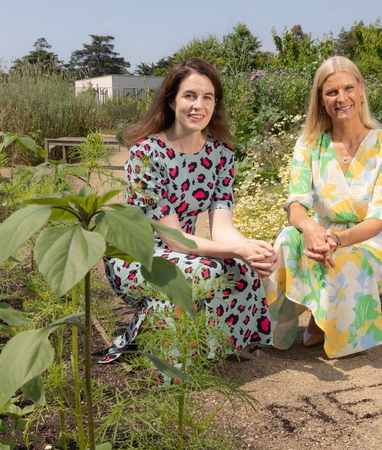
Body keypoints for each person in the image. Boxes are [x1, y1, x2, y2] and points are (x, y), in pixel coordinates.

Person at [99, 58, 278, 364]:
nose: (199, 106)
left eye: (208, 97)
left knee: (243, 268)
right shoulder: (145, 154)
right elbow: (173, 239)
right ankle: (172, 353)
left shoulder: (220, 154)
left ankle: (210, 346)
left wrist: (250, 248)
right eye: (190, 96)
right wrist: (238, 250)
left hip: (183, 250)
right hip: (137, 256)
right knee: (206, 271)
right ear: (171, 100)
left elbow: (222, 225)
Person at [262, 56, 382, 358]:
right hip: (322, 234)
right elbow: (296, 203)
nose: (342, 99)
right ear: (321, 100)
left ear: (361, 89)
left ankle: (328, 324)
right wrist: (312, 228)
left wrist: (337, 240)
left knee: (346, 259)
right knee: (287, 239)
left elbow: (380, 219)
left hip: (369, 241)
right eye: (331, 92)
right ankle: (283, 331)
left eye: (348, 88)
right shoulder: (309, 145)